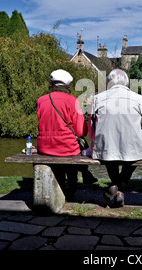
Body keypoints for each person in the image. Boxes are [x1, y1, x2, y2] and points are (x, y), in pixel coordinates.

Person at [89, 69, 142, 207]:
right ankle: (119, 189)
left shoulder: (97, 98)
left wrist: (97, 142)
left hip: (106, 146)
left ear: (109, 82)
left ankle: (115, 186)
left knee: (109, 154)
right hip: (134, 147)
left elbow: (91, 129)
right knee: (134, 154)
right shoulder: (140, 99)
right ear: (126, 82)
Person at [37, 69, 97, 198]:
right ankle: (71, 189)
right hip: (67, 147)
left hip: (45, 147)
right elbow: (81, 131)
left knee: (58, 159)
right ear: (67, 86)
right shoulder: (73, 101)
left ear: (51, 85)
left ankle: (59, 186)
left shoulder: (41, 100)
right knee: (73, 155)